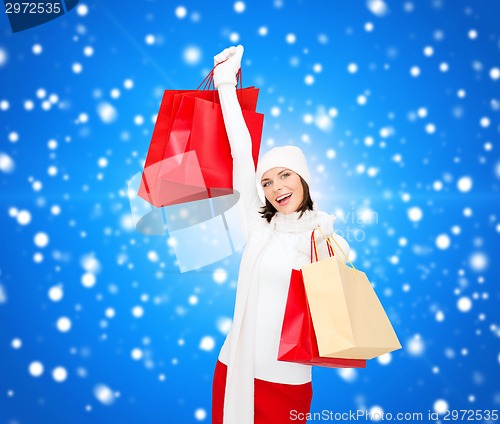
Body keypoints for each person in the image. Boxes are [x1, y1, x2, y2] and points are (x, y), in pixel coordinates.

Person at [211, 45, 351, 424]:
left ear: (303, 178)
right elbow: (242, 153)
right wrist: (225, 81)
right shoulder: (258, 227)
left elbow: (333, 311)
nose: (277, 187)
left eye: (285, 175)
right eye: (268, 181)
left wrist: (329, 249)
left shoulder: (325, 236)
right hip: (236, 367)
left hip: (287, 379)